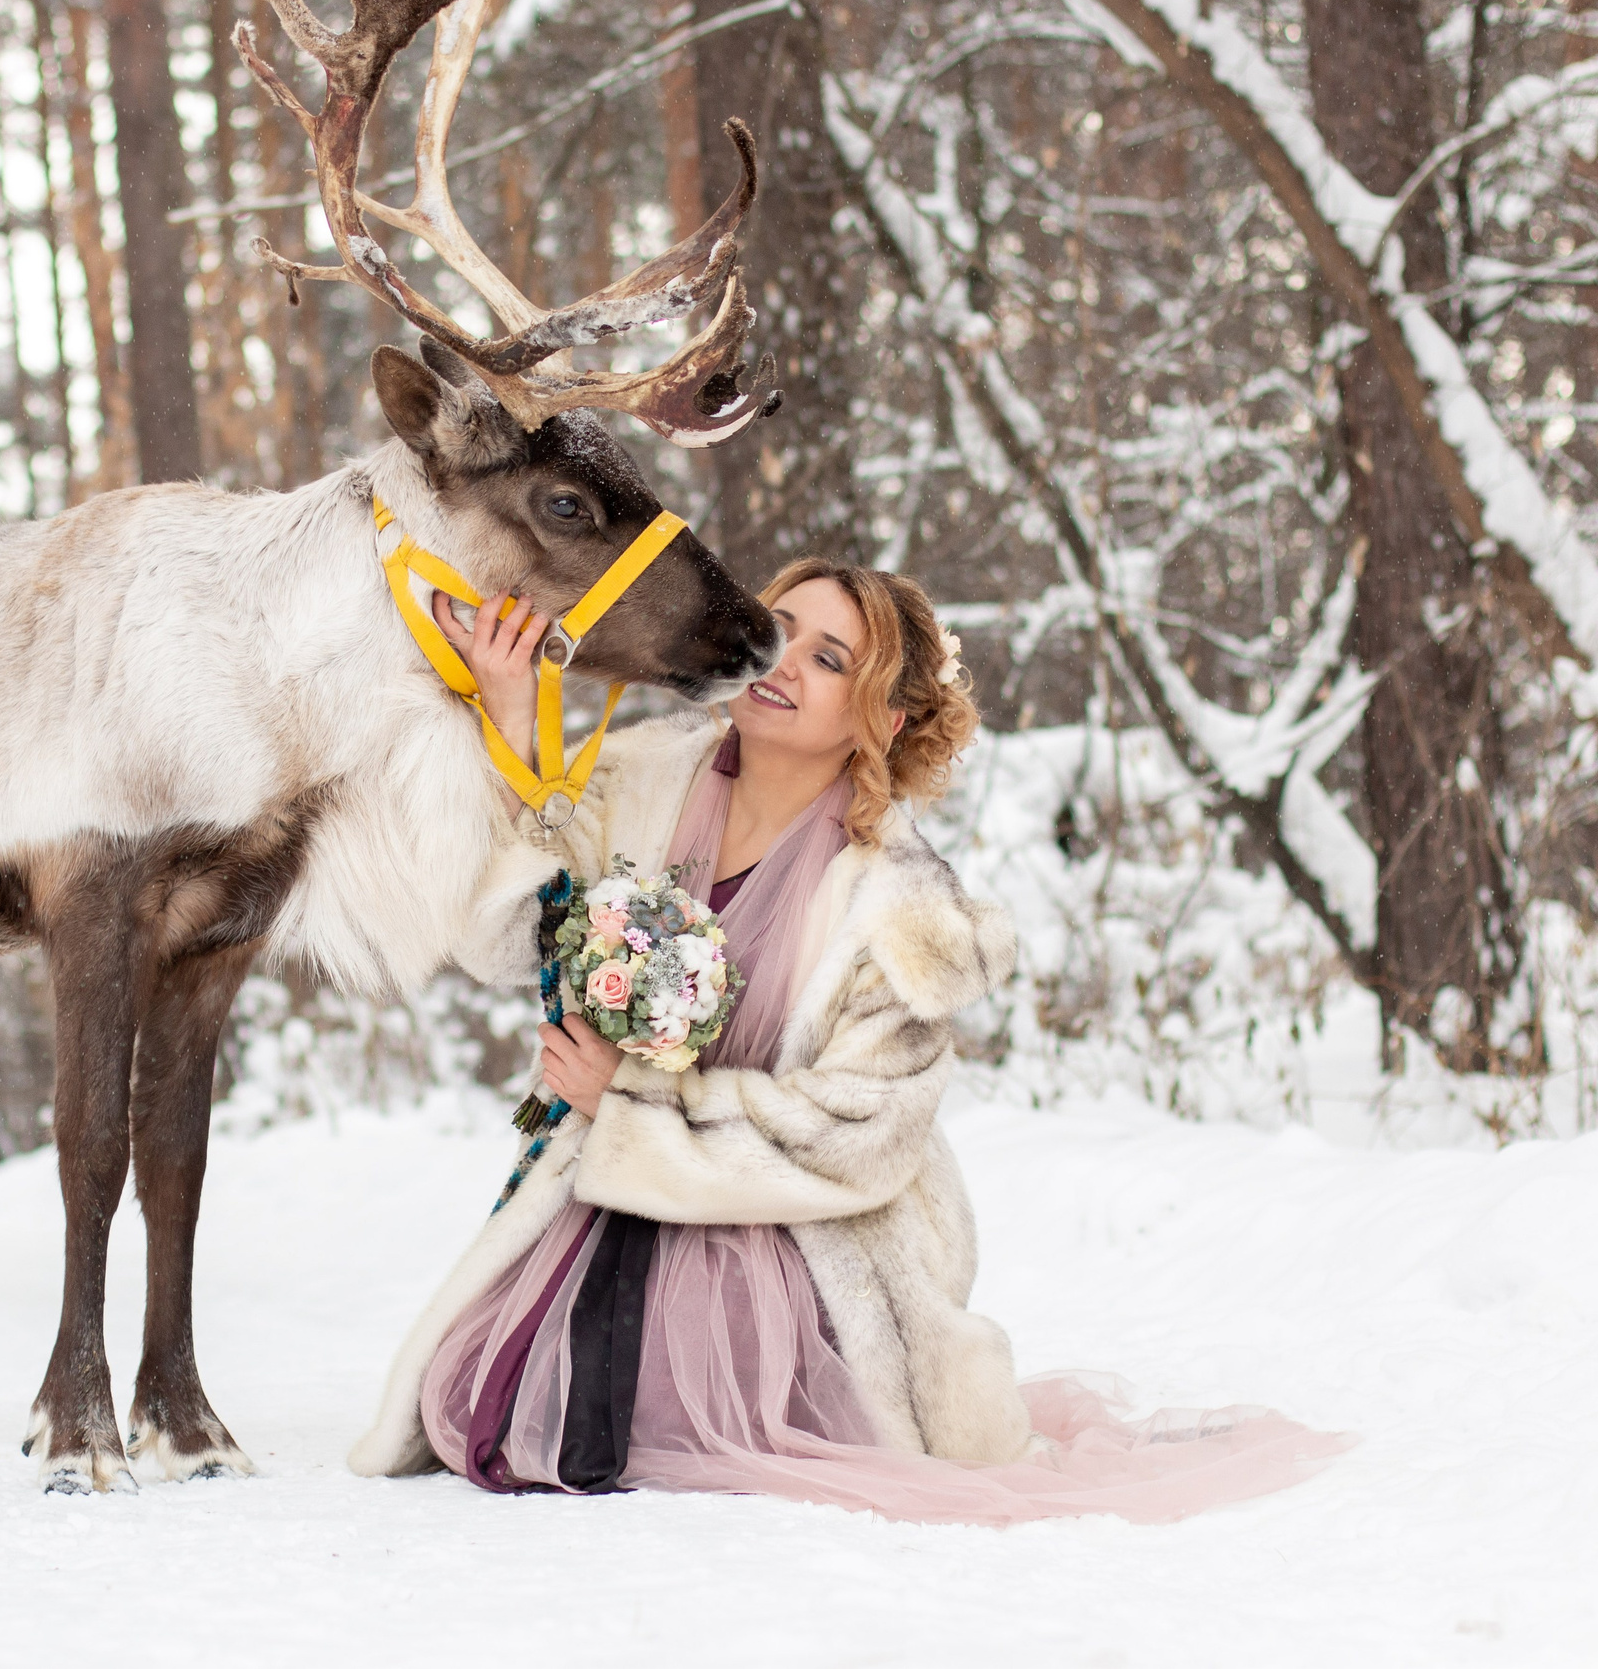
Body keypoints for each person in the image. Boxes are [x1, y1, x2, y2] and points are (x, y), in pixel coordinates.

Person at [348, 558, 1347, 1524]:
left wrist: (634, 1101)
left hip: (803, 1238)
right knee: (478, 1399)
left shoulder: (902, 905)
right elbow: (506, 936)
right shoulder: (642, 780)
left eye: (828, 660)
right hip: (612, 1193)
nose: (781, 663)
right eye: (775, 631)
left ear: (882, 718)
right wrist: (511, 713)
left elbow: (855, 1134)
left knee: (637, 1410)